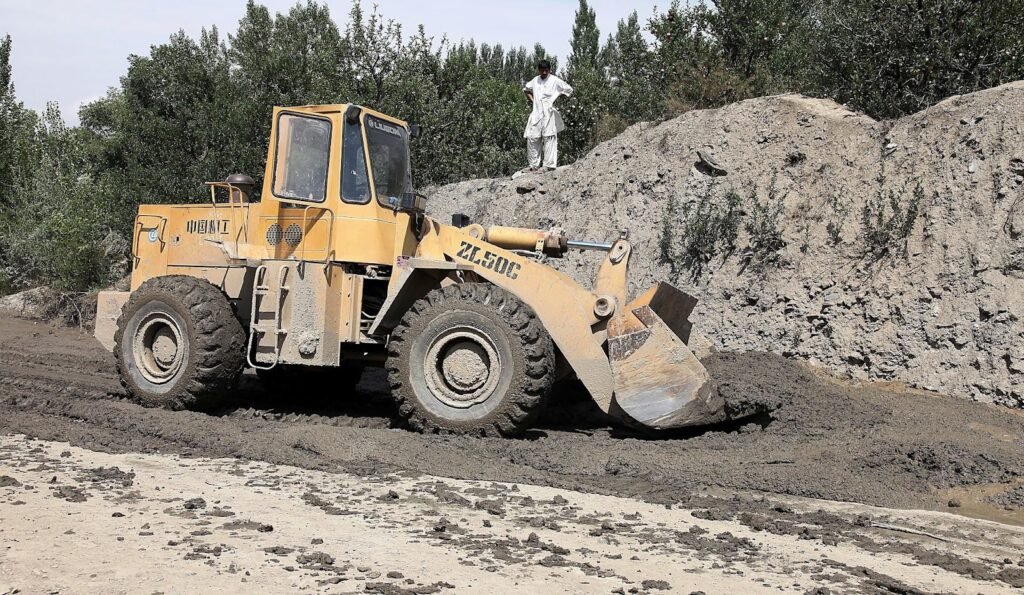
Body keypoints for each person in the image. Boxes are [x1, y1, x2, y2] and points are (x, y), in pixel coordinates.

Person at [523, 60, 573, 171]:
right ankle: (533, 165)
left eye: (546, 70)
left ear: (550, 70)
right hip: (536, 112)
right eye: (542, 70)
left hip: (549, 112)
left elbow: (568, 90)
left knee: (549, 137)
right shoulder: (535, 80)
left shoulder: (555, 80)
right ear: (539, 70)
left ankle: (548, 165)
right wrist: (533, 100)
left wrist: (557, 98)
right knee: (532, 137)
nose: (544, 72)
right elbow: (526, 90)